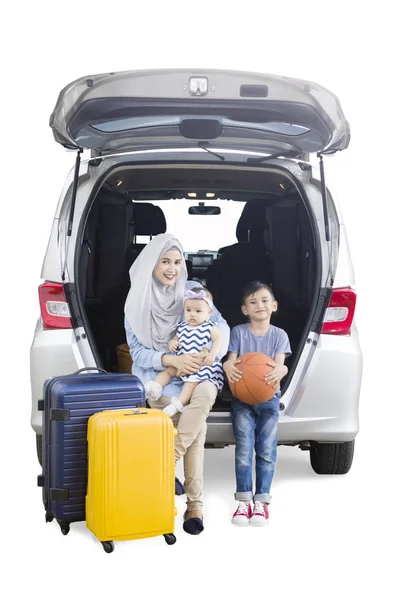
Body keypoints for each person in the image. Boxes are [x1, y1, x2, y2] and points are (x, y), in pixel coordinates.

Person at [124, 233, 229, 534]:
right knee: (197, 429)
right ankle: (195, 507)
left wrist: (209, 354)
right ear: (151, 264)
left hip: (200, 376)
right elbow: (138, 353)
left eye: (177, 262)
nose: (172, 269)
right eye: (165, 261)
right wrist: (173, 361)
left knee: (206, 392)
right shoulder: (135, 304)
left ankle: (167, 461)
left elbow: (221, 327)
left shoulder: (193, 293)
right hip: (161, 381)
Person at [223, 281, 291, 526]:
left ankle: (261, 501)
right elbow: (230, 361)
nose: (259, 305)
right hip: (241, 399)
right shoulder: (238, 332)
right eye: (252, 302)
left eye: (264, 300)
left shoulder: (279, 335)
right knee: (243, 449)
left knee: (266, 450)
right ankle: (243, 501)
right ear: (244, 309)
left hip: (269, 400)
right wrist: (227, 365)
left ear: (274, 305)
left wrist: (281, 370)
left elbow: (280, 364)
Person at [144, 287, 224, 415]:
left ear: (209, 313)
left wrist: (212, 354)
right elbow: (176, 338)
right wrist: (173, 342)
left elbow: (219, 339)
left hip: (200, 366)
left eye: (198, 311)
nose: (192, 314)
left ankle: (178, 404)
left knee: (191, 383)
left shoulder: (209, 327)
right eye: (188, 310)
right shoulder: (182, 327)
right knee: (168, 371)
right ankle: (155, 387)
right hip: (181, 363)